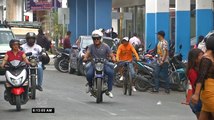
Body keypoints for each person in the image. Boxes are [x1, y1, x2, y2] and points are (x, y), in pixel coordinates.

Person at [83, 30, 116, 98]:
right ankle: (90, 85)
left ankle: (109, 90)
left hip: (104, 64)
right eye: (94, 38)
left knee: (111, 73)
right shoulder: (91, 46)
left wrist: (113, 58)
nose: (96, 40)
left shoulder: (106, 46)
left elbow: (111, 54)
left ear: (100, 38)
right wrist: (85, 57)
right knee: (89, 74)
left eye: (97, 38)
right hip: (94, 64)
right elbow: (87, 53)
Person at [191, 32, 214, 120]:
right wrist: (196, 95)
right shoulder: (206, 59)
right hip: (209, 92)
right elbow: (201, 77)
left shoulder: (210, 57)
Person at [187, 49, 204, 119]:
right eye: (201, 55)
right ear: (195, 59)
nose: (203, 56)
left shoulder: (201, 68)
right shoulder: (192, 71)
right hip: (198, 100)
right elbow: (197, 84)